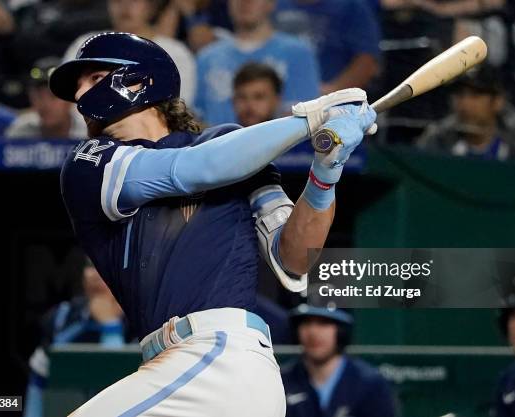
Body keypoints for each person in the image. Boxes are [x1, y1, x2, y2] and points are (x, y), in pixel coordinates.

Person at [49, 31, 376, 416]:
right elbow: (195, 169)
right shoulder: (89, 162)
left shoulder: (231, 144)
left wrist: (326, 171)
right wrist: (312, 119)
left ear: (141, 79)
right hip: (178, 366)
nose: (80, 95)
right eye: (78, 85)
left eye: (95, 78)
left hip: (219, 360)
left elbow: (293, 259)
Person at [23, 258, 133, 417]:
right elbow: (38, 382)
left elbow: (117, 391)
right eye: (90, 266)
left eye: (104, 265)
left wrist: (110, 326)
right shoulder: (62, 317)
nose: (95, 274)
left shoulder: (145, 322)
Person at [195, 0, 320, 126]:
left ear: (271, 4)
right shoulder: (207, 58)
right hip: (216, 144)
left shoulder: (298, 54)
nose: (245, 3)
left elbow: (305, 117)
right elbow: (197, 118)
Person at [63, 0, 197, 105]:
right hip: (82, 136)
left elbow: (179, 103)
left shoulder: (174, 51)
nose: (125, 6)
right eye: (117, 1)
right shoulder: (86, 44)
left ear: (151, 7)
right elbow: (63, 98)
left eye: (134, 0)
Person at [282, 305, 396, 417]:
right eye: (306, 323)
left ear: (342, 331)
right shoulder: (282, 382)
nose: (313, 332)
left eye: (324, 323)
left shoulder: (371, 385)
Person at [417, 65, 515, 162]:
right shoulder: (438, 140)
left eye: (475, 95)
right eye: (460, 95)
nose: (465, 104)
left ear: (497, 101)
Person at [273, 0, 380, 94]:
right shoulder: (273, 5)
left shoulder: (351, 6)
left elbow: (367, 58)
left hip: (336, 103)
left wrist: (334, 92)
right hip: (277, 99)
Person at [6, 57, 87, 140]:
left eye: (53, 96)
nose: (46, 104)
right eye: (39, 96)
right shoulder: (20, 132)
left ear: (71, 98)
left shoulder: (89, 133)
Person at [233, 62, 282, 127]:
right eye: (242, 97)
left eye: (259, 97)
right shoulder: (218, 136)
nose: (249, 105)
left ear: (276, 100)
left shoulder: (293, 136)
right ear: (233, 100)